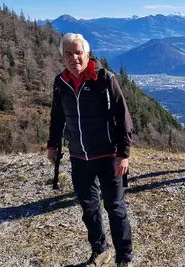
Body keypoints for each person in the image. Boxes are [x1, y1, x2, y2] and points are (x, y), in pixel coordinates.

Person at [47, 33, 133, 267]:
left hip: (108, 155)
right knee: (89, 207)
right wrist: (53, 144)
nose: (73, 57)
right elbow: (57, 117)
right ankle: (100, 250)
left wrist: (123, 154)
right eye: (68, 53)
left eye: (78, 52)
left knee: (115, 208)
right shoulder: (61, 82)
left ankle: (124, 259)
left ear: (87, 54)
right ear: (62, 56)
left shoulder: (105, 79)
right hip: (79, 156)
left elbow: (123, 118)